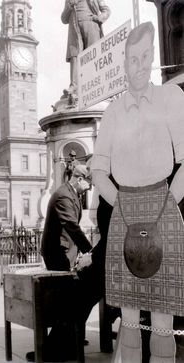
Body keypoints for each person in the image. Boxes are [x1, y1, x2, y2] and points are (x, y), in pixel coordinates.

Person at [91, 21, 184, 363]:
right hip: (124, 209)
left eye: (147, 56)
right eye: (133, 59)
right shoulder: (113, 112)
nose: (141, 64)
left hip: (164, 204)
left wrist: (168, 200)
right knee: (128, 315)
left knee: (162, 315)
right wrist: (120, 203)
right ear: (124, 64)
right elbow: (98, 169)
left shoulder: (171, 98)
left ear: (153, 58)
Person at [26, 164, 93, 362]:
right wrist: (89, 250)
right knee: (64, 298)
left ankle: (69, 338)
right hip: (58, 252)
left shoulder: (71, 194)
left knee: (69, 295)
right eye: (88, 184)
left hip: (66, 251)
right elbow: (71, 225)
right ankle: (53, 347)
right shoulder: (63, 195)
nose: (89, 188)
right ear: (79, 179)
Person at [61, 0, 110, 93]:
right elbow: (63, 19)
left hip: (91, 26)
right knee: (74, 55)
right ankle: (74, 86)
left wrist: (100, 18)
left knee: (92, 55)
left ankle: (95, 84)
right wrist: (70, 5)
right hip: (75, 28)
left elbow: (106, 10)